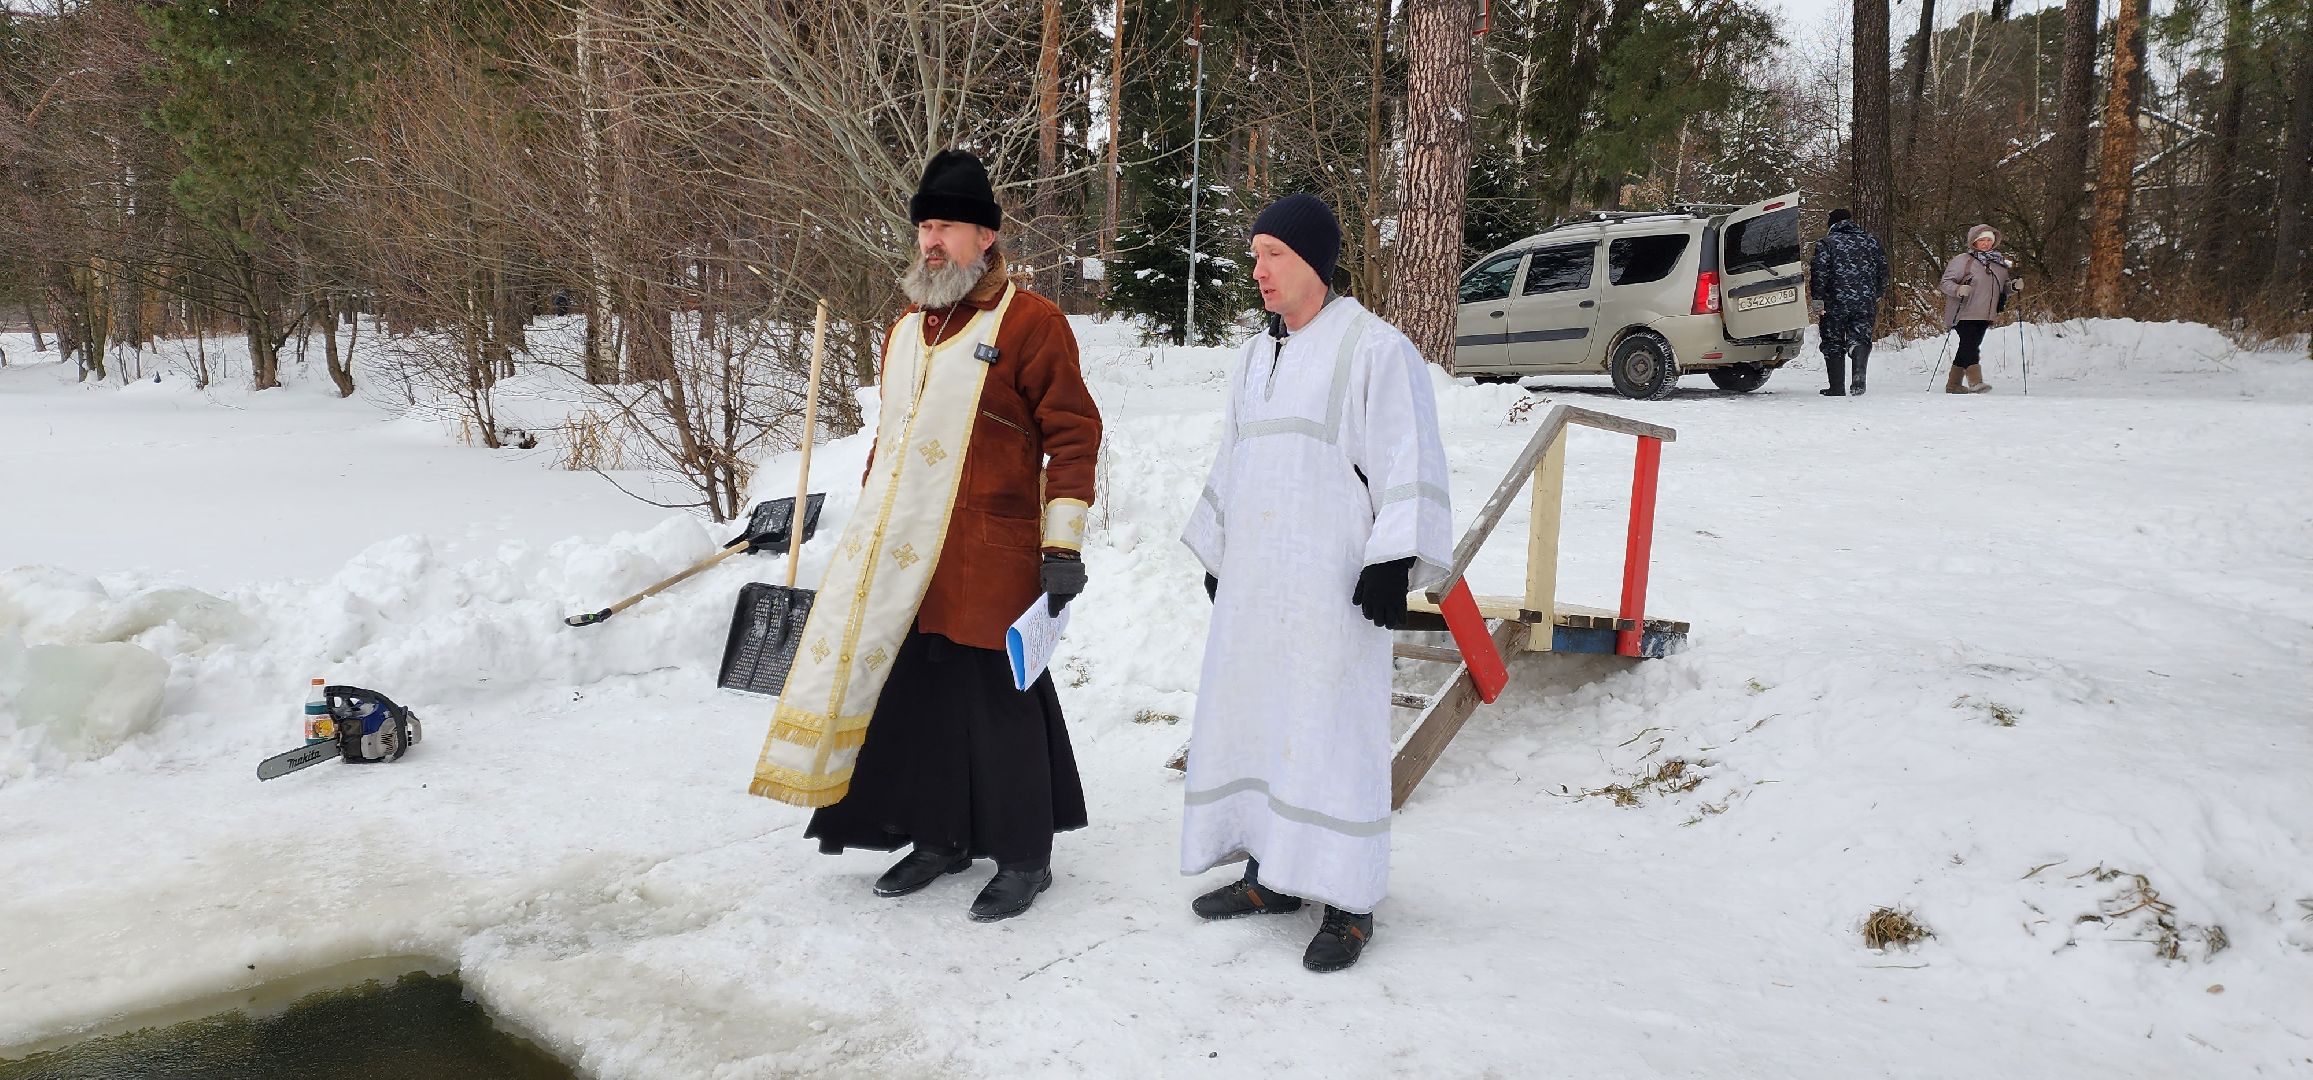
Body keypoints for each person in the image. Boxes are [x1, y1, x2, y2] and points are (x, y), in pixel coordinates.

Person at [750, 149, 1103, 923]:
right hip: (906, 556)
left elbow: (1073, 434)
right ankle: (940, 837)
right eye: (923, 228)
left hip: (992, 553)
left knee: (1000, 702)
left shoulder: (1032, 323)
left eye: (944, 227)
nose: (930, 242)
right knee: (922, 697)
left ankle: (1024, 856)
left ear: (985, 235)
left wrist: (1063, 546)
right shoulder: (906, 330)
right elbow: (890, 437)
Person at [1178, 193, 1454, 973]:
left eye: (1273, 254)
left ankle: (1349, 902)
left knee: (1333, 733)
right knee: (1261, 719)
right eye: (1255, 254)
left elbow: (1410, 456)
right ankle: (1271, 877)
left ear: (1314, 262)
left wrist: (1392, 557)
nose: (1258, 269)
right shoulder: (1253, 356)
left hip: (1333, 588)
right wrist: (1217, 555)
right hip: (1260, 587)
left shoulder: (1375, 348)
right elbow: (1233, 461)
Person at [1808, 208, 1888, 396]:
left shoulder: (1827, 243)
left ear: (1832, 225)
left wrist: (1818, 300)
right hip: (1865, 301)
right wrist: (1876, 294)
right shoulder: (1871, 242)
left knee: (1833, 341)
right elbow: (1883, 271)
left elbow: (1819, 273)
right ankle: (1858, 380)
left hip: (1834, 302)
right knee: (1860, 338)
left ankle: (1836, 387)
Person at [1938, 224, 2021, 394]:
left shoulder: (1998, 264)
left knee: (1967, 346)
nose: (1985, 244)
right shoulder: (1963, 261)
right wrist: (1958, 289)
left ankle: (1953, 385)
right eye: (1981, 240)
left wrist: (2013, 287)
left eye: (1989, 240)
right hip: (1963, 312)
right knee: (1971, 345)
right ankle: (1975, 382)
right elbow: (1945, 283)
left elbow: (2003, 288)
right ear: (1974, 242)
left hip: (1986, 313)